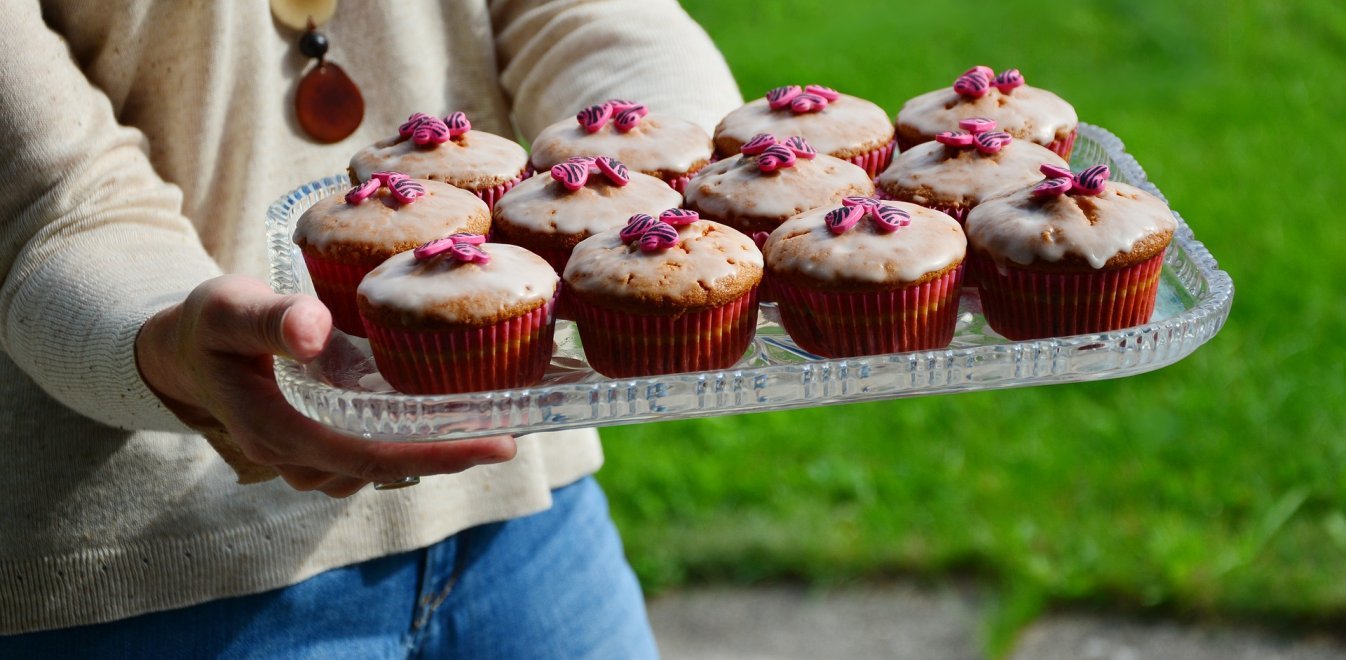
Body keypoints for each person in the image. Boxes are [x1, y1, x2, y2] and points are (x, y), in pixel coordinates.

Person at [0, 1, 741, 656]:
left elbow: (585, 14)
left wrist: (684, 178)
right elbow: (48, 197)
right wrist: (164, 341)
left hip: (524, 516)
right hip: (150, 577)